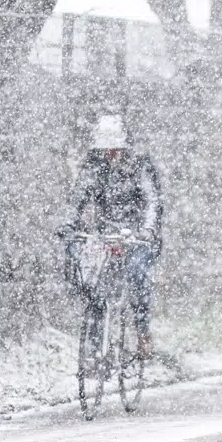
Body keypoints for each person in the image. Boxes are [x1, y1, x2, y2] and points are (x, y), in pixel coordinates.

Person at [61, 114, 164, 359]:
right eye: (105, 150)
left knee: (137, 275)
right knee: (89, 277)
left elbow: (152, 202)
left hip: (137, 236)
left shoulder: (140, 166)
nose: (110, 154)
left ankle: (142, 331)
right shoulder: (93, 167)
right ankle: (95, 339)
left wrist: (147, 230)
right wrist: (68, 225)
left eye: (114, 149)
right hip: (105, 234)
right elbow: (77, 198)